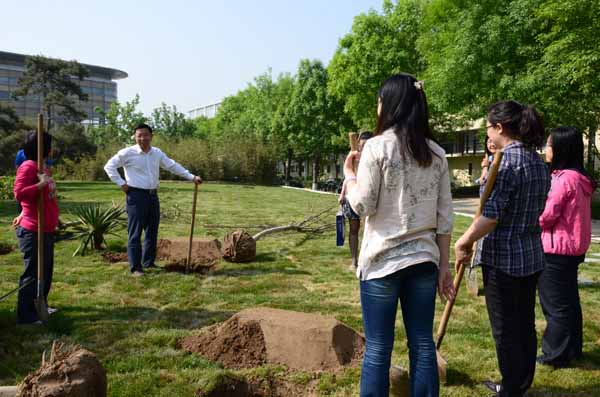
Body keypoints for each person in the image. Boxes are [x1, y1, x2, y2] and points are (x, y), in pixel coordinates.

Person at [343, 74, 455, 397]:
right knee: (422, 343)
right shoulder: (437, 154)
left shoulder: (376, 147)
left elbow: (361, 204)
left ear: (390, 104)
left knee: (378, 348)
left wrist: (350, 176)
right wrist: (444, 265)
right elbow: (444, 217)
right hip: (424, 260)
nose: (377, 107)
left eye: (379, 101)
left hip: (381, 262)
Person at [455, 100, 550, 397]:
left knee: (505, 328)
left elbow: (491, 215)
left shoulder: (507, 161)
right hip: (531, 255)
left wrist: (464, 240)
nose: (487, 134)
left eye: (487, 127)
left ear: (499, 127)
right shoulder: (536, 160)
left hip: (504, 259)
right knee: (524, 323)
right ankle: (521, 382)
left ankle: (510, 387)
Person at [104, 123, 202, 276]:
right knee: (135, 233)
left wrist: (191, 177)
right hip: (136, 196)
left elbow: (172, 166)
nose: (143, 138)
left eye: (145, 135)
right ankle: (136, 268)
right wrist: (121, 183)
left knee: (152, 231)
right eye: (139, 136)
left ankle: (148, 262)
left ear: (151, 136)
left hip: (152, 196)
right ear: (135, 137)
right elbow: (109, 166)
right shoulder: (127, 153)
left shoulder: (156, 153)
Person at [537, 126, 595, 368]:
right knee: (570, 302)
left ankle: (555, 354)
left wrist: (532, 218)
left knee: (555, 305)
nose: (546, 149)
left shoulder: (563, 180)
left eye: (549, 144)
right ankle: (573, 349)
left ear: (560, 148)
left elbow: (547, 215)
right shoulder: (580, 179)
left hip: (556, 250)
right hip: (572, 250)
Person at [13, 131, 59, 325]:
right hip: (33, 229)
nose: (52, 149)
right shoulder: (28, 167)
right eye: (50, 145)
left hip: (47, 227)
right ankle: (26, 316)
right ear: (42, 147)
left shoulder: (43, 167)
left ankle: (41, 304)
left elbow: (47, 197)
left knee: (46, 270)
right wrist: (40, 185)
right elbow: (19, 194)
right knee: (32, 272)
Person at [338, 131, 373, 269]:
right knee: (354, 229)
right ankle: (354, 260)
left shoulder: (374, 157)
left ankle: (367, 259)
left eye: (367, 145)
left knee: (369, 229)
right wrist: (342, 194)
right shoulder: (353, 156)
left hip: (369, 198)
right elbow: (348, 176)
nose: (364, 147)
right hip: (352, 196)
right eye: (362, 145)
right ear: (358, 144)